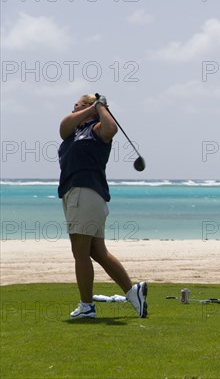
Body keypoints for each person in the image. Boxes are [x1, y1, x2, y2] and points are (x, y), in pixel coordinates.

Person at [58, 93, 147, 319]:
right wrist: (92, 108)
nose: (73, 109)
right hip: (76, 194)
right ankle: (133, 292)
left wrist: (101, 108)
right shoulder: (73, 131)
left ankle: (86, 307)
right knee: (97, 252)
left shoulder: (96, 130)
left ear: (88, 106)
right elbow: (63, 126)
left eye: (77, 105)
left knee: (79, 252)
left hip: (85, 192)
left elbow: (111, 129)